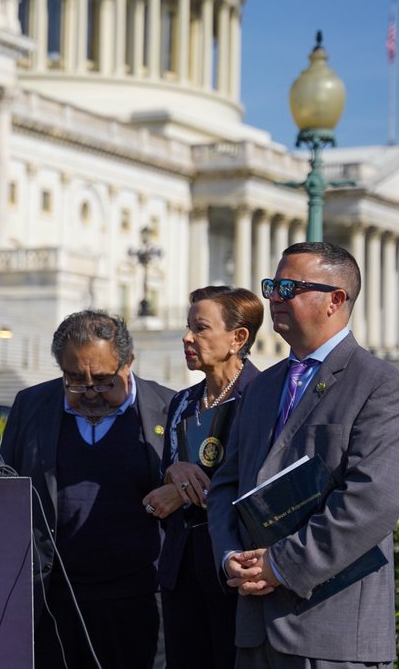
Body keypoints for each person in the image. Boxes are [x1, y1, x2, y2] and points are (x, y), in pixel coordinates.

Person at [207, 242, 399, 668]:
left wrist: (281, 565)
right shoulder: (262, 387)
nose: (274, 298)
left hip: (332, 629)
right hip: (256, 626)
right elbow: (226, 485)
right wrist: (231, 557)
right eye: (272, 286)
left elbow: (371, 503)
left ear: (335, 300)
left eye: (289, 287)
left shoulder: (381, 386)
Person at [1, 310, 173, 669]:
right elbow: (8, 491)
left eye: (105, 381)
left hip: (140, 601)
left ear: (128, 364)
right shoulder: (31, 406)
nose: (91, 392)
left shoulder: (169, 409)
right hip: (54, 600)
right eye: (76, 380)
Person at [141, 286, 263, 669]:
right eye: (188, 326)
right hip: (182, 569)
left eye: (201, 328)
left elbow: (258, 483)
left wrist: (182, 490)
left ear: (237, 338)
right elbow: (168, 477)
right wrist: (175, 475)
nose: (187, 337)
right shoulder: (182, 402)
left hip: (234, 570)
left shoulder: (262, 396)